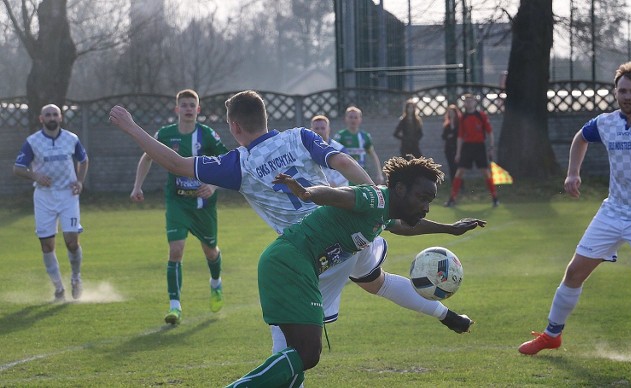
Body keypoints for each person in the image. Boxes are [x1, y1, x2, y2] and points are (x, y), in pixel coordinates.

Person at [109, 91, 483, 371]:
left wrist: (128, 126)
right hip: (350, 228)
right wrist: (372, 197)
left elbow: (175, 163)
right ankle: (445, 315)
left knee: (290, 338)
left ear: (235, 127)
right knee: (376, 282)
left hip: (312, 250)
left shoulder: (238, 162)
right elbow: (341, 160)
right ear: (267, 118)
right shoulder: (299, 136)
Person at [226, 156, 480, 387]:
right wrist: (307, 193)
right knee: (307, 353)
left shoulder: (384, 212)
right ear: (400, 189)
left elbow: (404, 226)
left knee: (299, 356)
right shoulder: (375, 198)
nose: (425, 207)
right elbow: (340, 194)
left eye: (429, 200)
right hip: (290, 263)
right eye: (422, 198)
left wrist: (450, 228)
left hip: (293, 266)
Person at [518, 62, 631, 355]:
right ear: (615, 91)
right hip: (613, 211)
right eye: (622, 90)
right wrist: (573, 172)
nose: (627, 96)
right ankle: (551, 335)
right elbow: (581, 138)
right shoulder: (606, 122)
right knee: (574, 273)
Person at [130, 89, 228, 325]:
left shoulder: (207, 135)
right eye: (183, 105)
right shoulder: (165, 134)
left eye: (191, 105)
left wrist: (213, 187)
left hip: (203, 205)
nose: (187, 109)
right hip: (177, 202)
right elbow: (147, 156)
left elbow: (226, 162)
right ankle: (175, 306)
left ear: (198, 109)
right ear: (176, 109)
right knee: (176, 251)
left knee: (210, 251)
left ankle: (215, 283)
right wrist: (137, 186)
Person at [13, 104, 89, 302]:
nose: (51, 117)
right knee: (47, 246)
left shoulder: (71, 139)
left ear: (61, 117)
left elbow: (84, 160)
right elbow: (18, 168)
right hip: (44, 198)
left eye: (55, 114)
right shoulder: (33, 141)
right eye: (48, 114)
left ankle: (76, 278)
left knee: (72, 242)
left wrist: (80, 181)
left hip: (68, 195)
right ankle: (58, 288)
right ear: (41, 119)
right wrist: (35, 175)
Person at [444, 93, 499, 207]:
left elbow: (490, 132)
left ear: (475, 102)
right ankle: (452, 199)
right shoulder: (463, 117)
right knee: (459, 172)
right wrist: (458, 153)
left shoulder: (481, 115)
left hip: (479, 147)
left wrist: (491, 147)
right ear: (464, 103)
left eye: (470, 101)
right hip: (467, 147)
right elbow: (460, 136)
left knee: (486, 173)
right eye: (466, 101)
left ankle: (494, 198)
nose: (468, 103)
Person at [334, 106, 385, 184]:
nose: (353, 120)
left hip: (362, 173)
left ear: (360, 119)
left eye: (355, 117)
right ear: (346, 119)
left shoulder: (365, 136)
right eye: (350, 117)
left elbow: (373, 155)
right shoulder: (340, 136)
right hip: (345, 175)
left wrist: (379, 174)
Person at [309, 114, 348, 187]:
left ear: (328, 129)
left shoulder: (339, 149)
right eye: (316, 128)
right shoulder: (307, 150)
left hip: (340, 190)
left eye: (323, 128)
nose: (319, 131)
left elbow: (348, 171)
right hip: (317, 190)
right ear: (311, 130)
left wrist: (333, 183)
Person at [441, 104, 462, 180]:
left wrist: (452, 135)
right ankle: (453, 183)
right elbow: (443, 136)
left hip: (457, 147)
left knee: (458, 167)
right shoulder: (447, 124)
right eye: (450, 112)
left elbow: (460, 135)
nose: (451, 114)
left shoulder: (459, 124)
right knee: (451, 166)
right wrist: (448, 136)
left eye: (452, 112)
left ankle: (460, 184)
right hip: (449, 148)